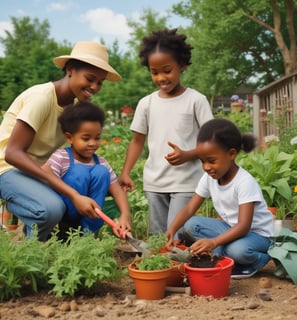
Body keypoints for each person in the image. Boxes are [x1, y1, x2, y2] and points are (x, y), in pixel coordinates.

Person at [0, 41, 125, 241]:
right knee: (52, 209)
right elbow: (13, 153)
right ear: (70, 69)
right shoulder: (41, 98)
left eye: (100, 82)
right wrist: (73, 195)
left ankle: (69, 238)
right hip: (8, 170)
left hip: (40, 172)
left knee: (85, 176)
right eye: (90, 79)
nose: (94, 87)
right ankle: (30, 245)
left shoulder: (73, 106)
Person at [119, 29, 213, 237]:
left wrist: (188, 154)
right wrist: (125, 172)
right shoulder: (146, 103)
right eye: (155, 72)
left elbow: (212, 142)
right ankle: (164, 269)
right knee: (158, 238)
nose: (161, 77)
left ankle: (182, 266)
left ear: (181, 65)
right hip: (154, 182)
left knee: (175, 234)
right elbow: (137, 140)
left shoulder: (196, 100)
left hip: (187, 182)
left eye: (167, 70)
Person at [166, 118, 274, 279]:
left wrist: (214, 242)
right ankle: (222, 255)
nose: (206, 167)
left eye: (211, 161)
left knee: (237, 250)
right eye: (202, 161)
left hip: (258, 235)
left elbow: (244, 226)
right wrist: (172, 229)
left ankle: (258, 260)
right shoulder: (209, 178)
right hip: (231, 228)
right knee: (191, 224)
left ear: (231, 154)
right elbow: (190, 208)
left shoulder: (244, 182)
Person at [42, 101, 131, 235]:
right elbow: (46, 180)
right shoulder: (60, 157)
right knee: (79, 171)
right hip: (65, 215)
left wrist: (125, 215)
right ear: (69, 138)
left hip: (90, 217)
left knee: (101, 172)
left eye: (97, 138)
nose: (92, 143)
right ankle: (65, 230)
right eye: (86, 138)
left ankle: (87, 235)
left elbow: (117, 191)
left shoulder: (101, 162)